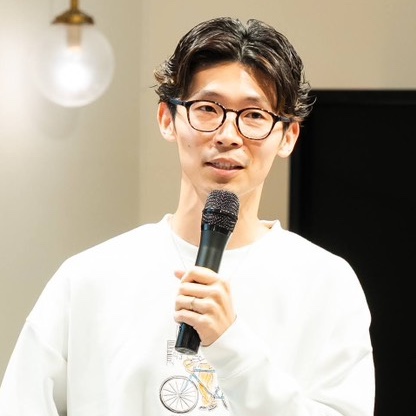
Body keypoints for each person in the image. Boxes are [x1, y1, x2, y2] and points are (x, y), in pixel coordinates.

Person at [0, 17, 375, 415]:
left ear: (288, 136)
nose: (228, 135)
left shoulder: (326, 284)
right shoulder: (88, 278)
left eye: (254, 115)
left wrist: (231, 345)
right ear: (168, 119)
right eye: (208, 108)